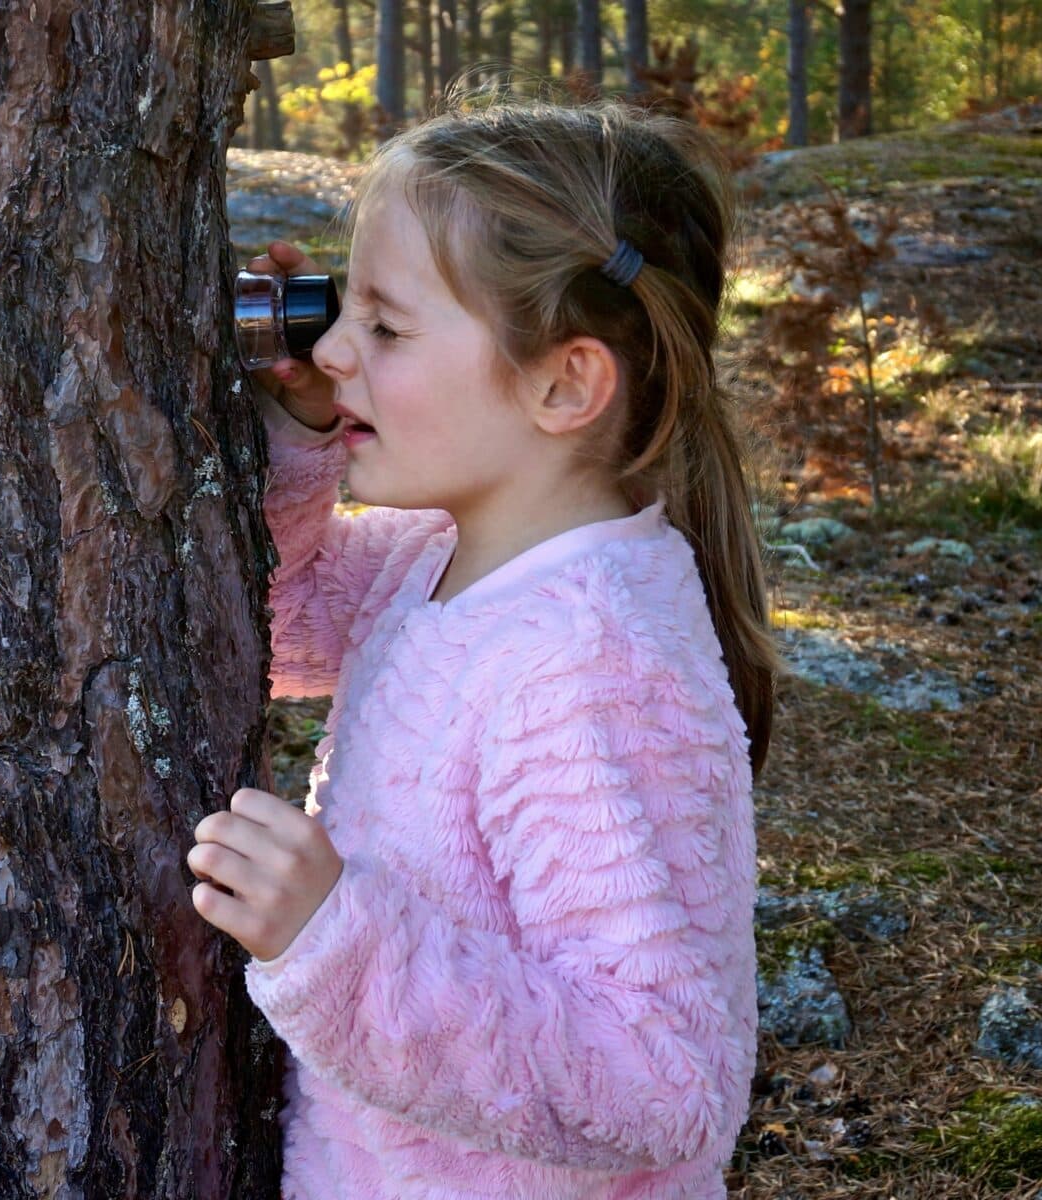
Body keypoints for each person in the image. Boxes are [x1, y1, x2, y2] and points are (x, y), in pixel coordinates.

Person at [188, 95, 780, 1199]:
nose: (327, 351)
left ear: (564, 383)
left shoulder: (591, 670)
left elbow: (662, 1080)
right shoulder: (442, 555)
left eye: (387, 327)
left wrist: (340, 949)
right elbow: (279, 622)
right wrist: (313, 439)